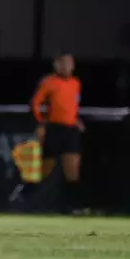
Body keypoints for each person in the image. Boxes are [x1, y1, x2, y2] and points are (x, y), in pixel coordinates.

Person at [30, 53, 85, 211]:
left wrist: (75, 119)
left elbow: (71, 106)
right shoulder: (49, 82)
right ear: (56, 65)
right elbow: (35, 104)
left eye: (70, 63)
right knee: (45, 169)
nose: (68, 66)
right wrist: (41, 123)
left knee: (72, 170)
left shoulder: (76, 83)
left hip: (70, 131)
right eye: (64, 63)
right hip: (54, 129)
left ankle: (73, 207)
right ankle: (26, 197)